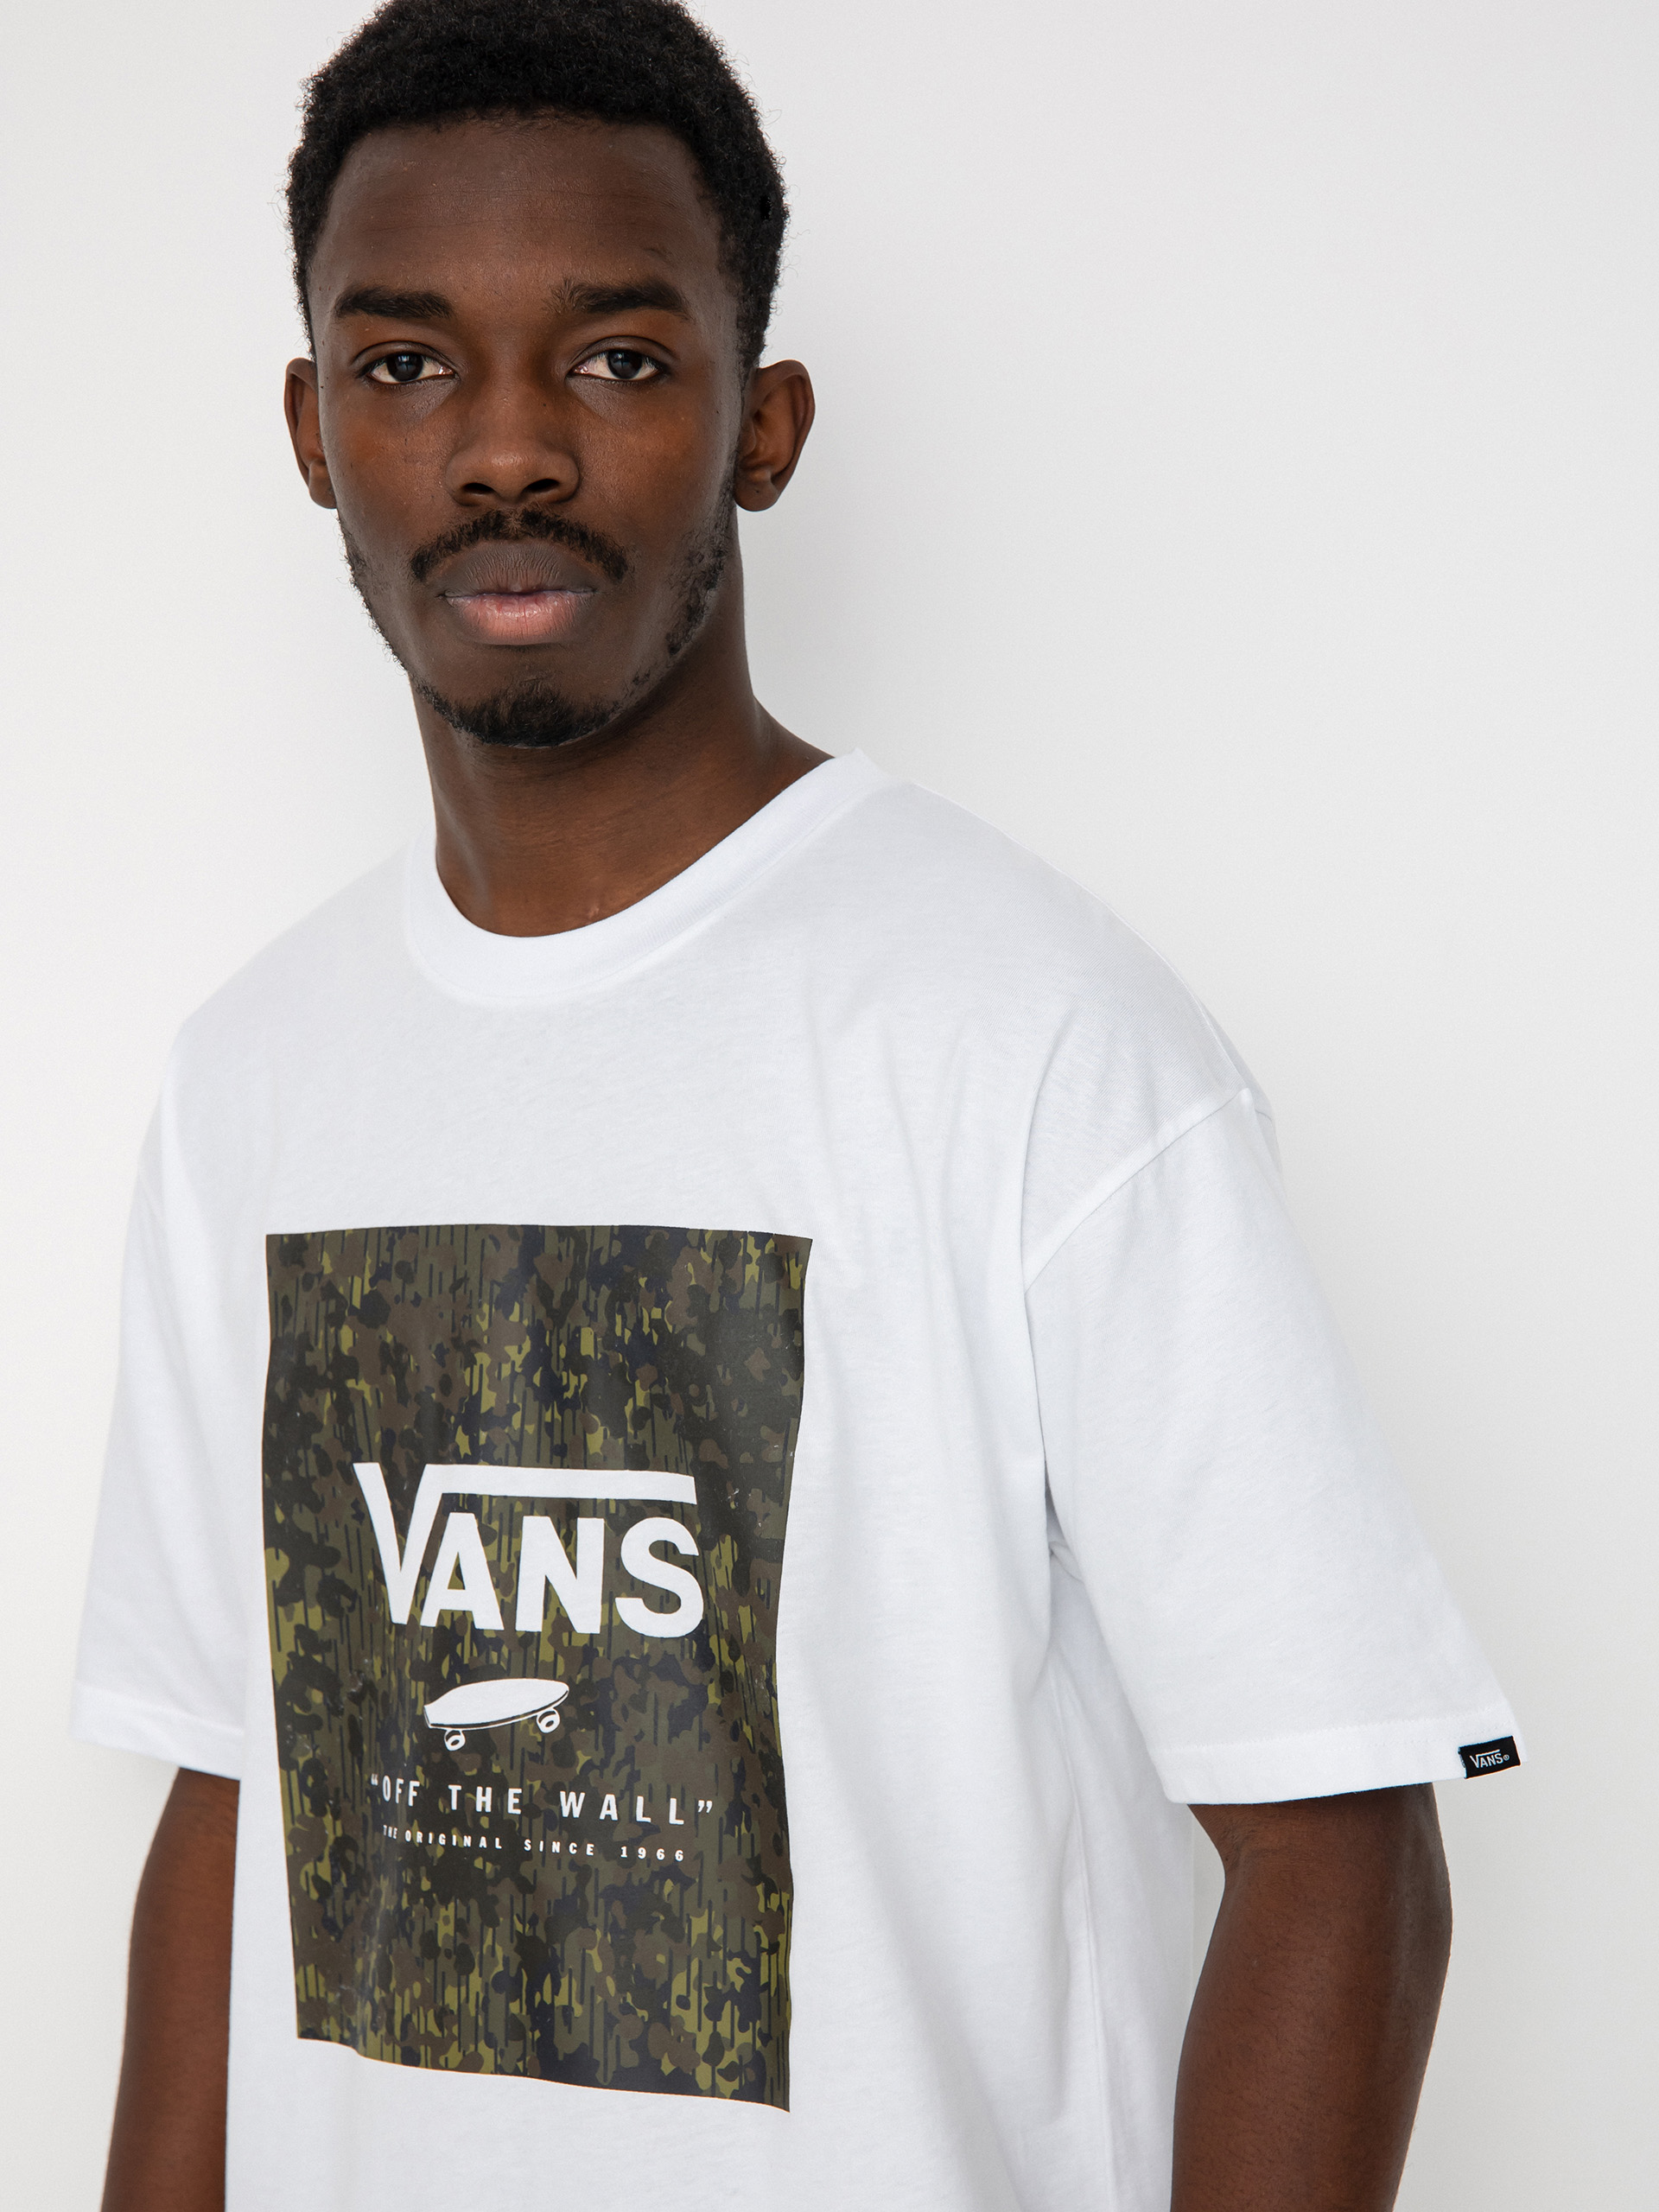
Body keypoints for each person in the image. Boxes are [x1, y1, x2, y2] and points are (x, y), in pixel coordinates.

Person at [73, 3, 1522, 2207]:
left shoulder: (1037, 1038)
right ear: (313, 428)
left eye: (618, 358)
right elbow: (227, 1798)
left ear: (764, 425)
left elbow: (1340, 1848)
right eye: (408, 363)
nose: (505, 451)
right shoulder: (247, 1077)